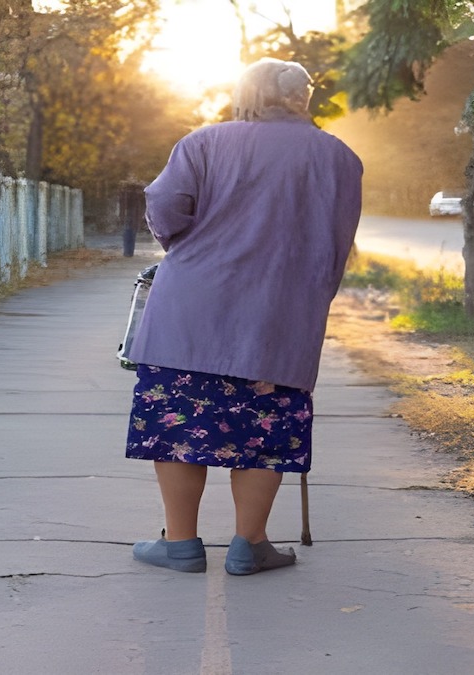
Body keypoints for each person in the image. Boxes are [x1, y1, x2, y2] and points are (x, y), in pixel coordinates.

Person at [124, 58, 363, 575]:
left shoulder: (204, 142)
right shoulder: (340, 158)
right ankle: (249, 543)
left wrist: (187, 248)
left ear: (245, 92)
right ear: (305, 97)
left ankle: (181, 544)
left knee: (180, 425)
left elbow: (164, 204)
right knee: (264, 428)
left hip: (190, 307)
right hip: (281, 314)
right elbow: (337, 244)